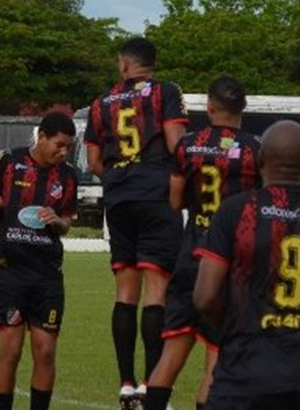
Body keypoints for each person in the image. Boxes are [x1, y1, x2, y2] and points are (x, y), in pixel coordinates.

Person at [143, 76, 261, 410]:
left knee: (171, 355)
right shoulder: (255, 148)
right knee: (216, 356)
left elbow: (176, 201)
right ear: (244, 108)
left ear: (209, 107)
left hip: (191, 256)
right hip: (232, 264)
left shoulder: (187, 145)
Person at [83, 36, 188, 409]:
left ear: (124, 64)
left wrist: (118, 177)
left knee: (124, 293)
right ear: (150, 65)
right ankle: (151, 386)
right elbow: (176, 142)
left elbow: (94, 161)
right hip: (156, 194)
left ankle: (126, 385)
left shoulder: (101, 103)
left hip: (120, 197)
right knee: (156, 291)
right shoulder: (165, 92)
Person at [193, 120, 300, 410]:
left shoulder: (236, 211)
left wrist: (233, 329)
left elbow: (205, 297)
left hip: (243, 372)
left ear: (260, 160)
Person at [0, 111, 78, 410]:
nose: (63, 152)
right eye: (59, 145)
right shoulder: (8, 161)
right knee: (10, 352)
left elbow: (66, 224)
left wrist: (56, 222)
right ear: (42, 136)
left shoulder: (68, 175)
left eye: (68, 147)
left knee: (45, 351)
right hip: (7, 270)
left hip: (47, 274)